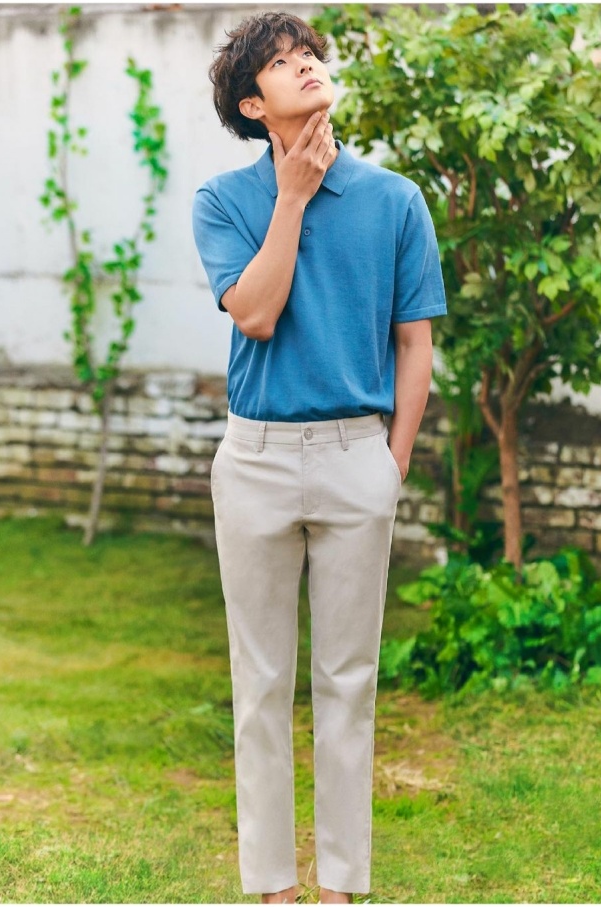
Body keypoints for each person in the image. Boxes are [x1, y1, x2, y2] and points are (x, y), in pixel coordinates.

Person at [192, 11, 446, 904]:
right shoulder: (223, 202)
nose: (305, 67)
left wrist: (391, 463)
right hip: (255, 457)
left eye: (310, 55)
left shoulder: (395, 200)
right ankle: (273, 888)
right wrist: (293, 197)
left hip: (355, 457)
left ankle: (339, 887)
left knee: (349, 683)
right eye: (282, 63)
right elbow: (257, 313)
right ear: (252, 105)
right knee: (260, 685)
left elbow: (414, 344)